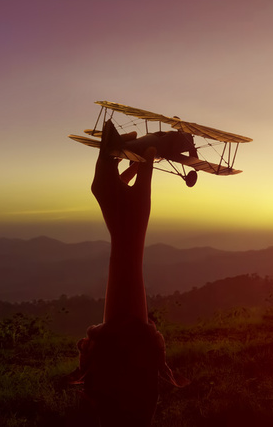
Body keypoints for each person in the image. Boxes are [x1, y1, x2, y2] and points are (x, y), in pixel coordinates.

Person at [69, 120, 187, 426]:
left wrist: (127, 231)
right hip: (125, 393)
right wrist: (127, 232)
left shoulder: (128, 363)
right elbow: (126, 338)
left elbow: (128, 339)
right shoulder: (125, 364)